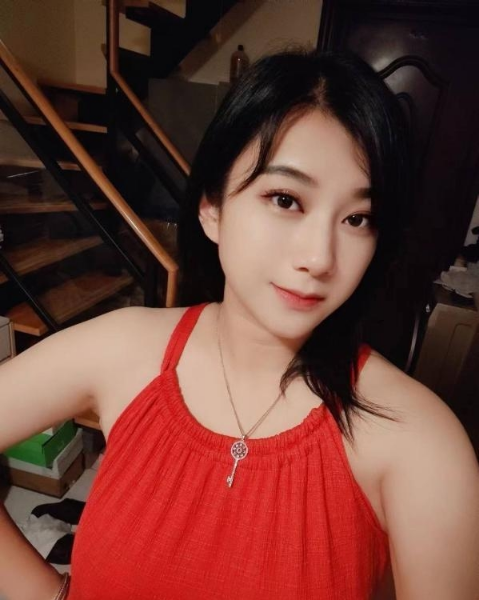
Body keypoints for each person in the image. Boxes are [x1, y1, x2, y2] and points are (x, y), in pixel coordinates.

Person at [1, 48, 478, 600]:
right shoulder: (120, 349)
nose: (319, 257)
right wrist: (47, 593)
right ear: (212, 208)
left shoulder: (420, 443)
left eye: (357, 218)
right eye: (285, 199)